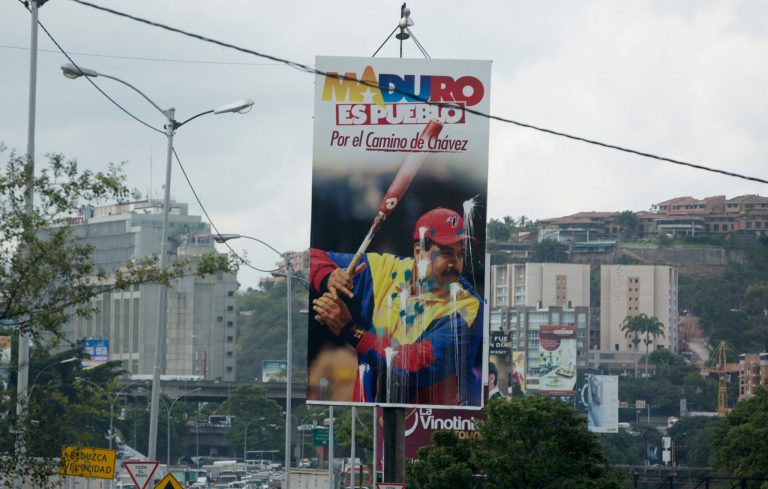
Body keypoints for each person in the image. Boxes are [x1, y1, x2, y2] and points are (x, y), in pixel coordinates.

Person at [310, 207, 483, 406]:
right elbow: (311, 257)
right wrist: (329, 277)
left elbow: (413, 366)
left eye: (460, 254)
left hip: (437, 423)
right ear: (419, 253)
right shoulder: (385, 269)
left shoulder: (469, 308)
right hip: (372, 415)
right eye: (446, 253)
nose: (456, 263)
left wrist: (348, 329)